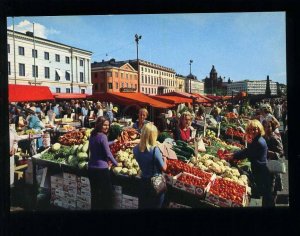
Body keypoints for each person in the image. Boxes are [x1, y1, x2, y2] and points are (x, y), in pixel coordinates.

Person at [225, 119, 273, 207]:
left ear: (259, 129)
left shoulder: (258, 141)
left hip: (261, 170)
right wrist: (234, 154)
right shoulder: (258, 139)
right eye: (251, 129)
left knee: (264, 194)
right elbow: (248, 150)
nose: (253, 131)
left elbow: (248, 152)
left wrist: (234, 156)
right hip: (261, 168)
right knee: (265, 194)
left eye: (255, 129)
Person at [133, 123, 167, 208]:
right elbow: (164, 168)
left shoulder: (135, 149)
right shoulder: (155, 150)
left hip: (143, 181)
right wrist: (165, 160)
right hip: (155, 183)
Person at [88, 116, 119, 210]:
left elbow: (101, 143)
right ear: (99, 125)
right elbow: (108, 154)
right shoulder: (103, 136)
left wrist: (113, 141)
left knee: (95, 195)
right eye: (104, 125)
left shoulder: (92, 135)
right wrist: (116, 164)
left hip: (91, 169)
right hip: (101, 170)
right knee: (106, 196)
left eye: (108, 125)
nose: (107, 127)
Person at [262, 119, 284, 206]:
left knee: (271, 192)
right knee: (266, 192)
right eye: (265, 127)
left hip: (273, 169)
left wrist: (271, 153)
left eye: (269, 127)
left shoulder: (275, 138)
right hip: (265, 168)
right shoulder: (263, 137)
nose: (267, 128)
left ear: (272, 127)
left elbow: (281, 152)